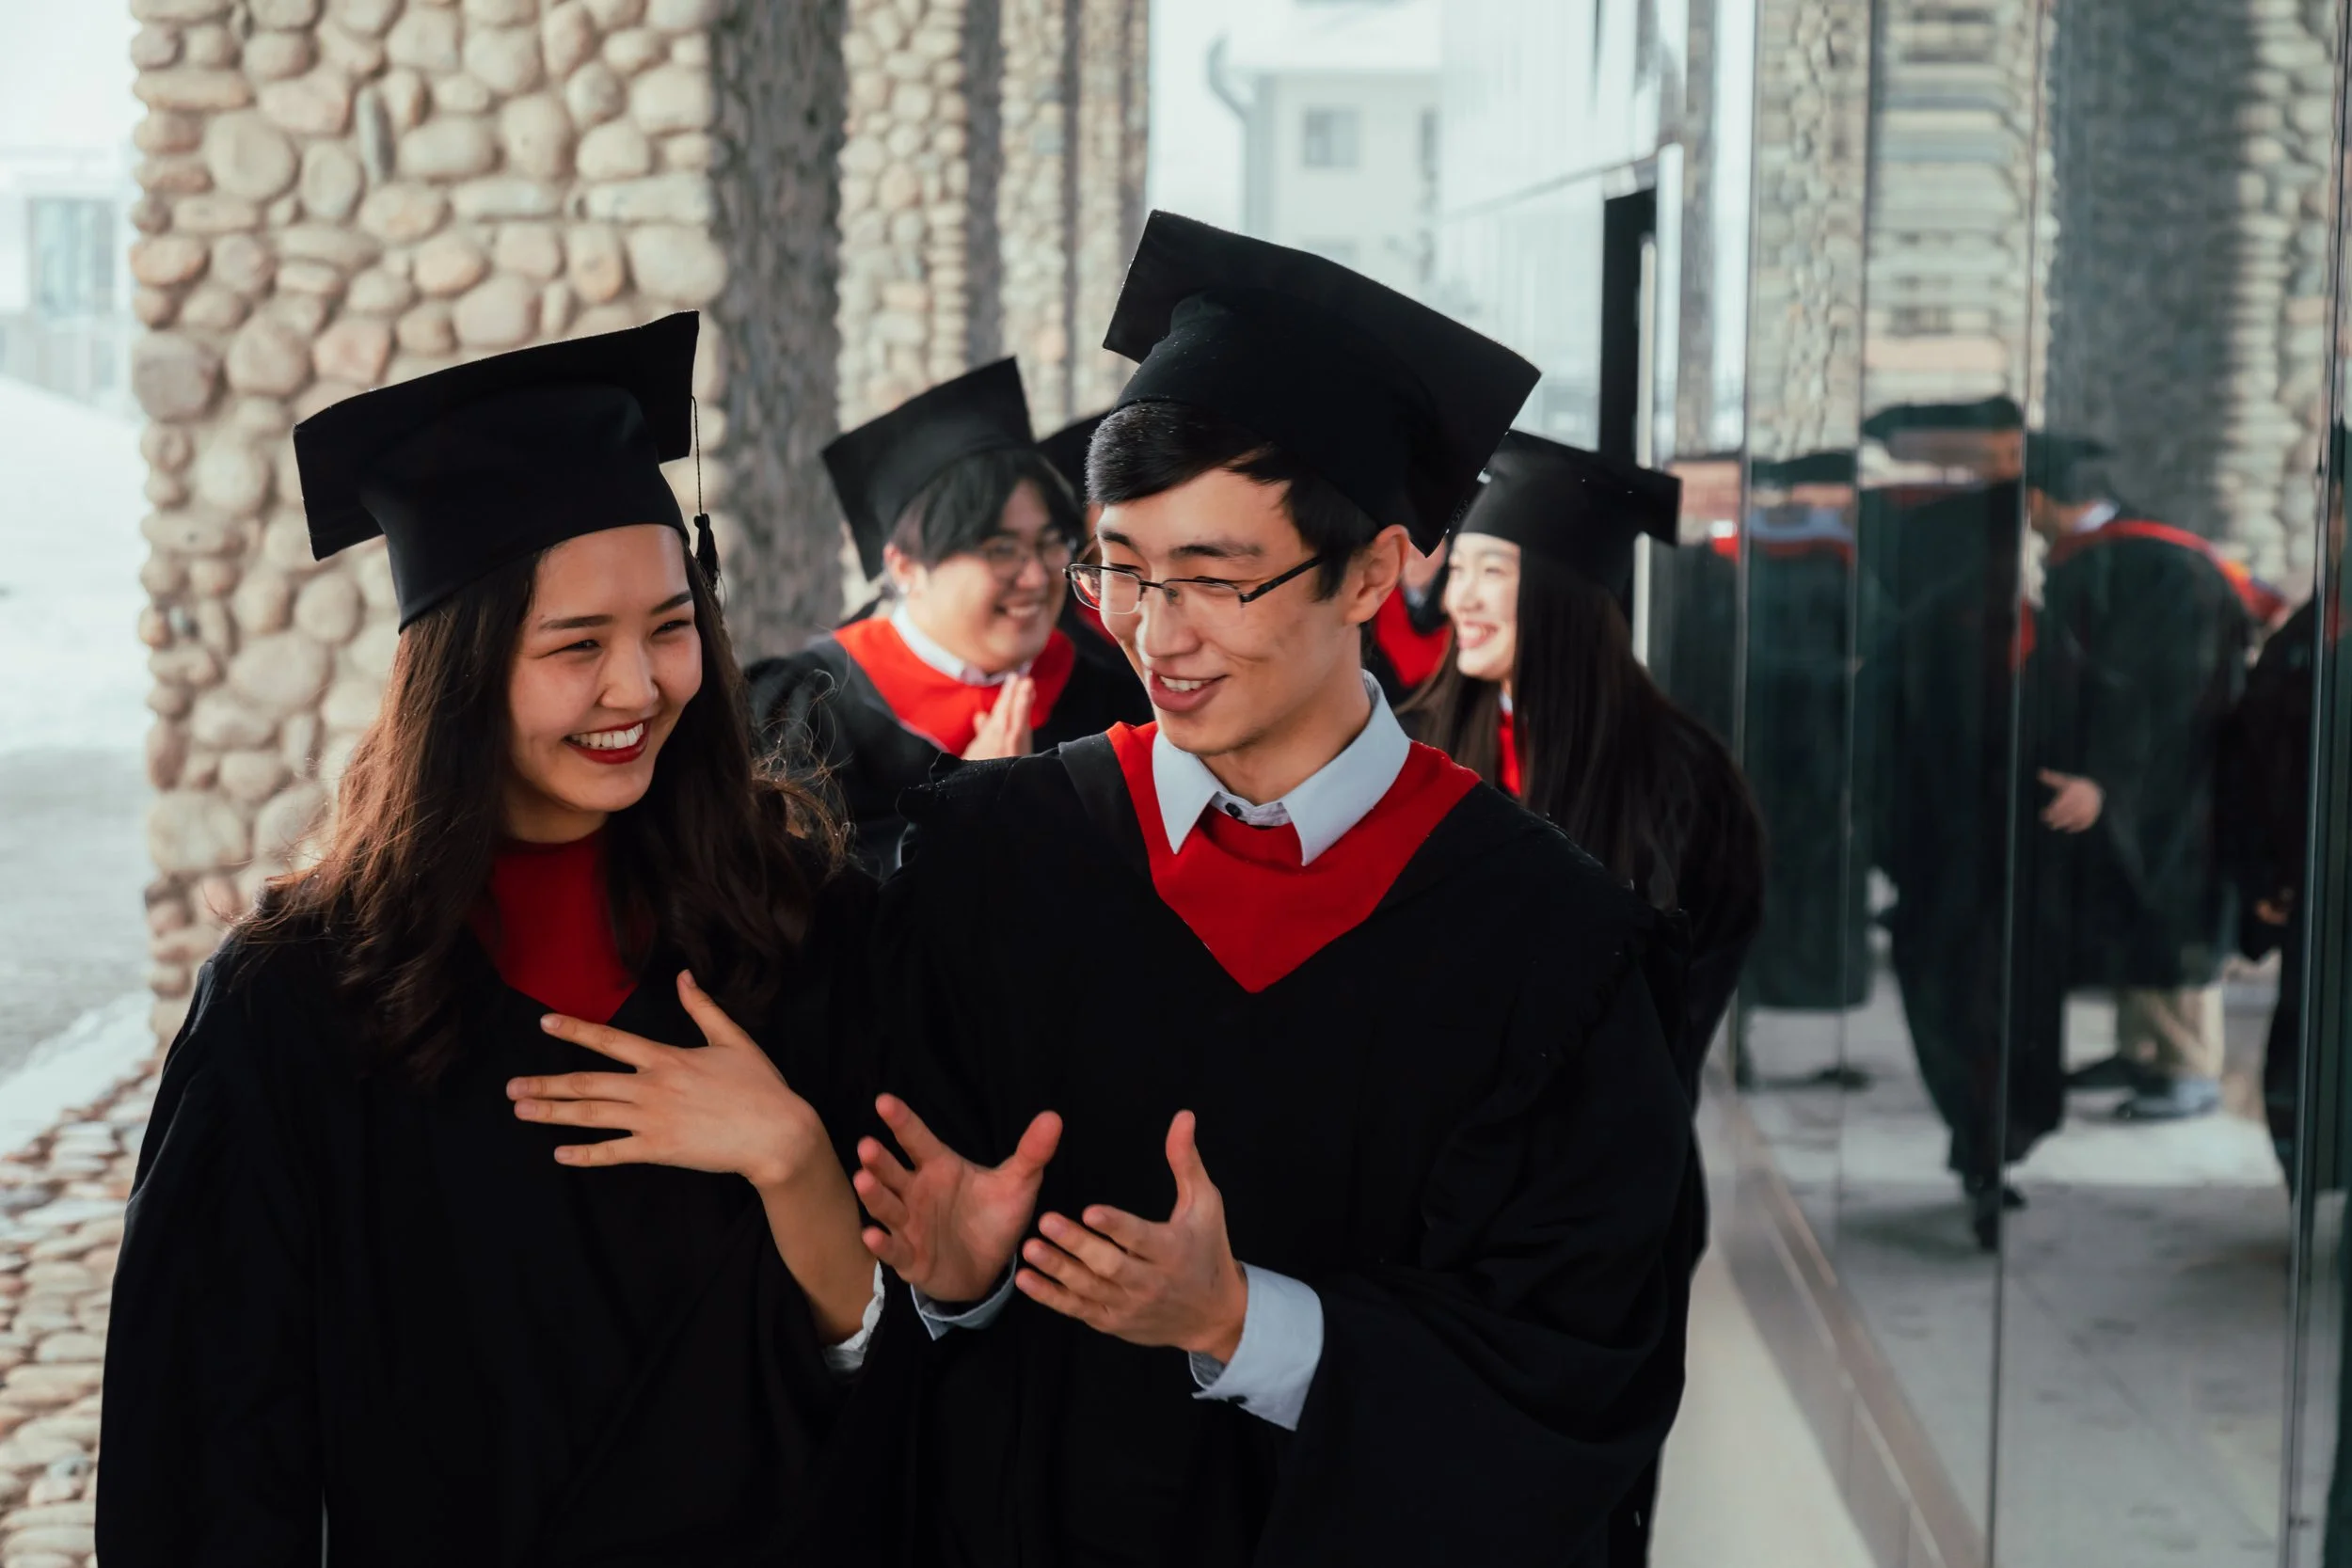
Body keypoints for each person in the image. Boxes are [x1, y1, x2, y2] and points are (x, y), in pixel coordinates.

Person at [511, 213, 1702, 1566]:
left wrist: (1243, 1320)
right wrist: (948, 1286)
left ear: (1375, 568)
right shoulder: (993, 858)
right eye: (1120, 568)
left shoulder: (1551, 949)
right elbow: (874, 1346)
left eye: (1214, 576)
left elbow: (1583, 1379)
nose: (1151, 629)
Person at [97, 314, 907, 1564]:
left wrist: (792, 1155)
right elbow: (208, 1452)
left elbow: (890, 1381)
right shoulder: (299, 1004)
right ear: (463, 671)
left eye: (669, 623)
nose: (637, 685)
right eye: (577, 645)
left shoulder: (797, 926)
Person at [1406, 431, 1763, 1092]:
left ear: (1561, 593)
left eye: (1492, 572)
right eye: (1459, 570)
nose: (1461, 600)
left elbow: (1683, 1002)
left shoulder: (1684, 781)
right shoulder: (1414, 750)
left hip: (1607, 1149)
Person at [748, 360, 1146, 873]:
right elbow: (794, 899)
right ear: (906, 565)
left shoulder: (1114, 701)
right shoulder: (803, 711)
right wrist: (964, 809)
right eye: (1000, 549)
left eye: (1050, 543)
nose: (1036, 576)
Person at [2024, 435, 2260, 1121]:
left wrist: (2106, 778)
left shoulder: (2158, 563)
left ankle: (2188, 1067)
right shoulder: (2116, 555)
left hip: (2175, 772)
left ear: (2042, 500)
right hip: (2142, 770)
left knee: (2171, 908)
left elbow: (2161, 692)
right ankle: (2143, 1049)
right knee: (2134, 902)